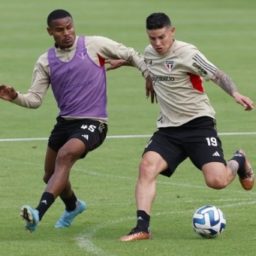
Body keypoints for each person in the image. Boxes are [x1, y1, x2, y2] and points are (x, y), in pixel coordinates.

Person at [0, 9, 151, 232]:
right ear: (50, 32)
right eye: (60, 30)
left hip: (94, 121)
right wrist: (15, 97)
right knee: (50, 175)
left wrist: (148, 74)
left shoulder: (94, 45)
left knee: (65, 155)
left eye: (69, 27)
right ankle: (73, 206)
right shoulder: (45, 61)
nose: (67, 33)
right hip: (65, 123)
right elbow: (34, 100)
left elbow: (130, 53)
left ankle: (37, 213)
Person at [114, 12, 254, 241]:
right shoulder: (150, 53)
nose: (157, 44)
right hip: (168, 129)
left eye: (161, 37)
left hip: (199, 125)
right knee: (147, 167)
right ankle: (142, 227)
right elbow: (147, 63)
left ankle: (239, 159)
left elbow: (217, 75)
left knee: (216, 181)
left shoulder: (188, 53)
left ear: (172, 32)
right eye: (152, 38)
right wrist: (145, 76)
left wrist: (235, 93)